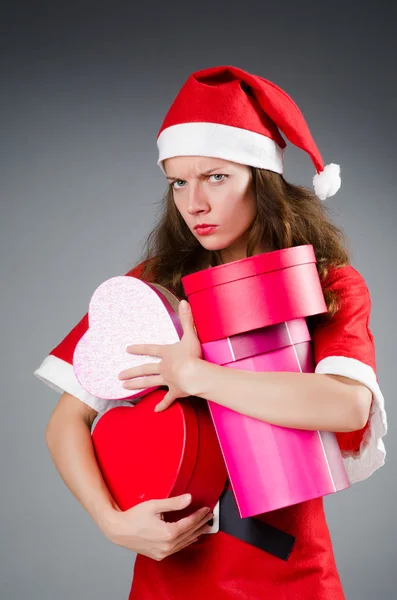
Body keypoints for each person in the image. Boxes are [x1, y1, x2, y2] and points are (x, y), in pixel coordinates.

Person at [34, 65, 388, 599]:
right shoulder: (152, 283)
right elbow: (67, 421)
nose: (193, 202)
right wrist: (113, 522)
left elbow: (347, 406)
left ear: (260, 179)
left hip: (289, 576)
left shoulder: (325, 283)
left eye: (216, 176)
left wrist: (195, 374)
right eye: (179, 181)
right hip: (168, 576)